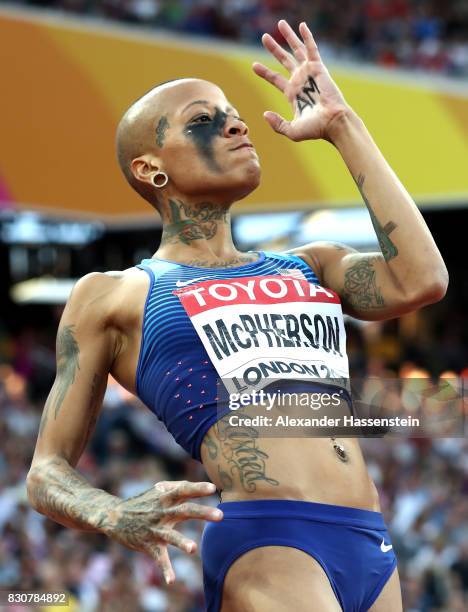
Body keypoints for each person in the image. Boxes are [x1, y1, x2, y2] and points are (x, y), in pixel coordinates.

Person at [26, 19, 447, 612]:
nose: (236, 123)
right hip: (270, 538)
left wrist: (342, 125)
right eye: (203, 120)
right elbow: (46, 470)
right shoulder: (115, 295)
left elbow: (423, 280)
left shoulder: (310, 265)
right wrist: (113, 512)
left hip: (368, 538)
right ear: (151, 169)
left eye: (232, 113)